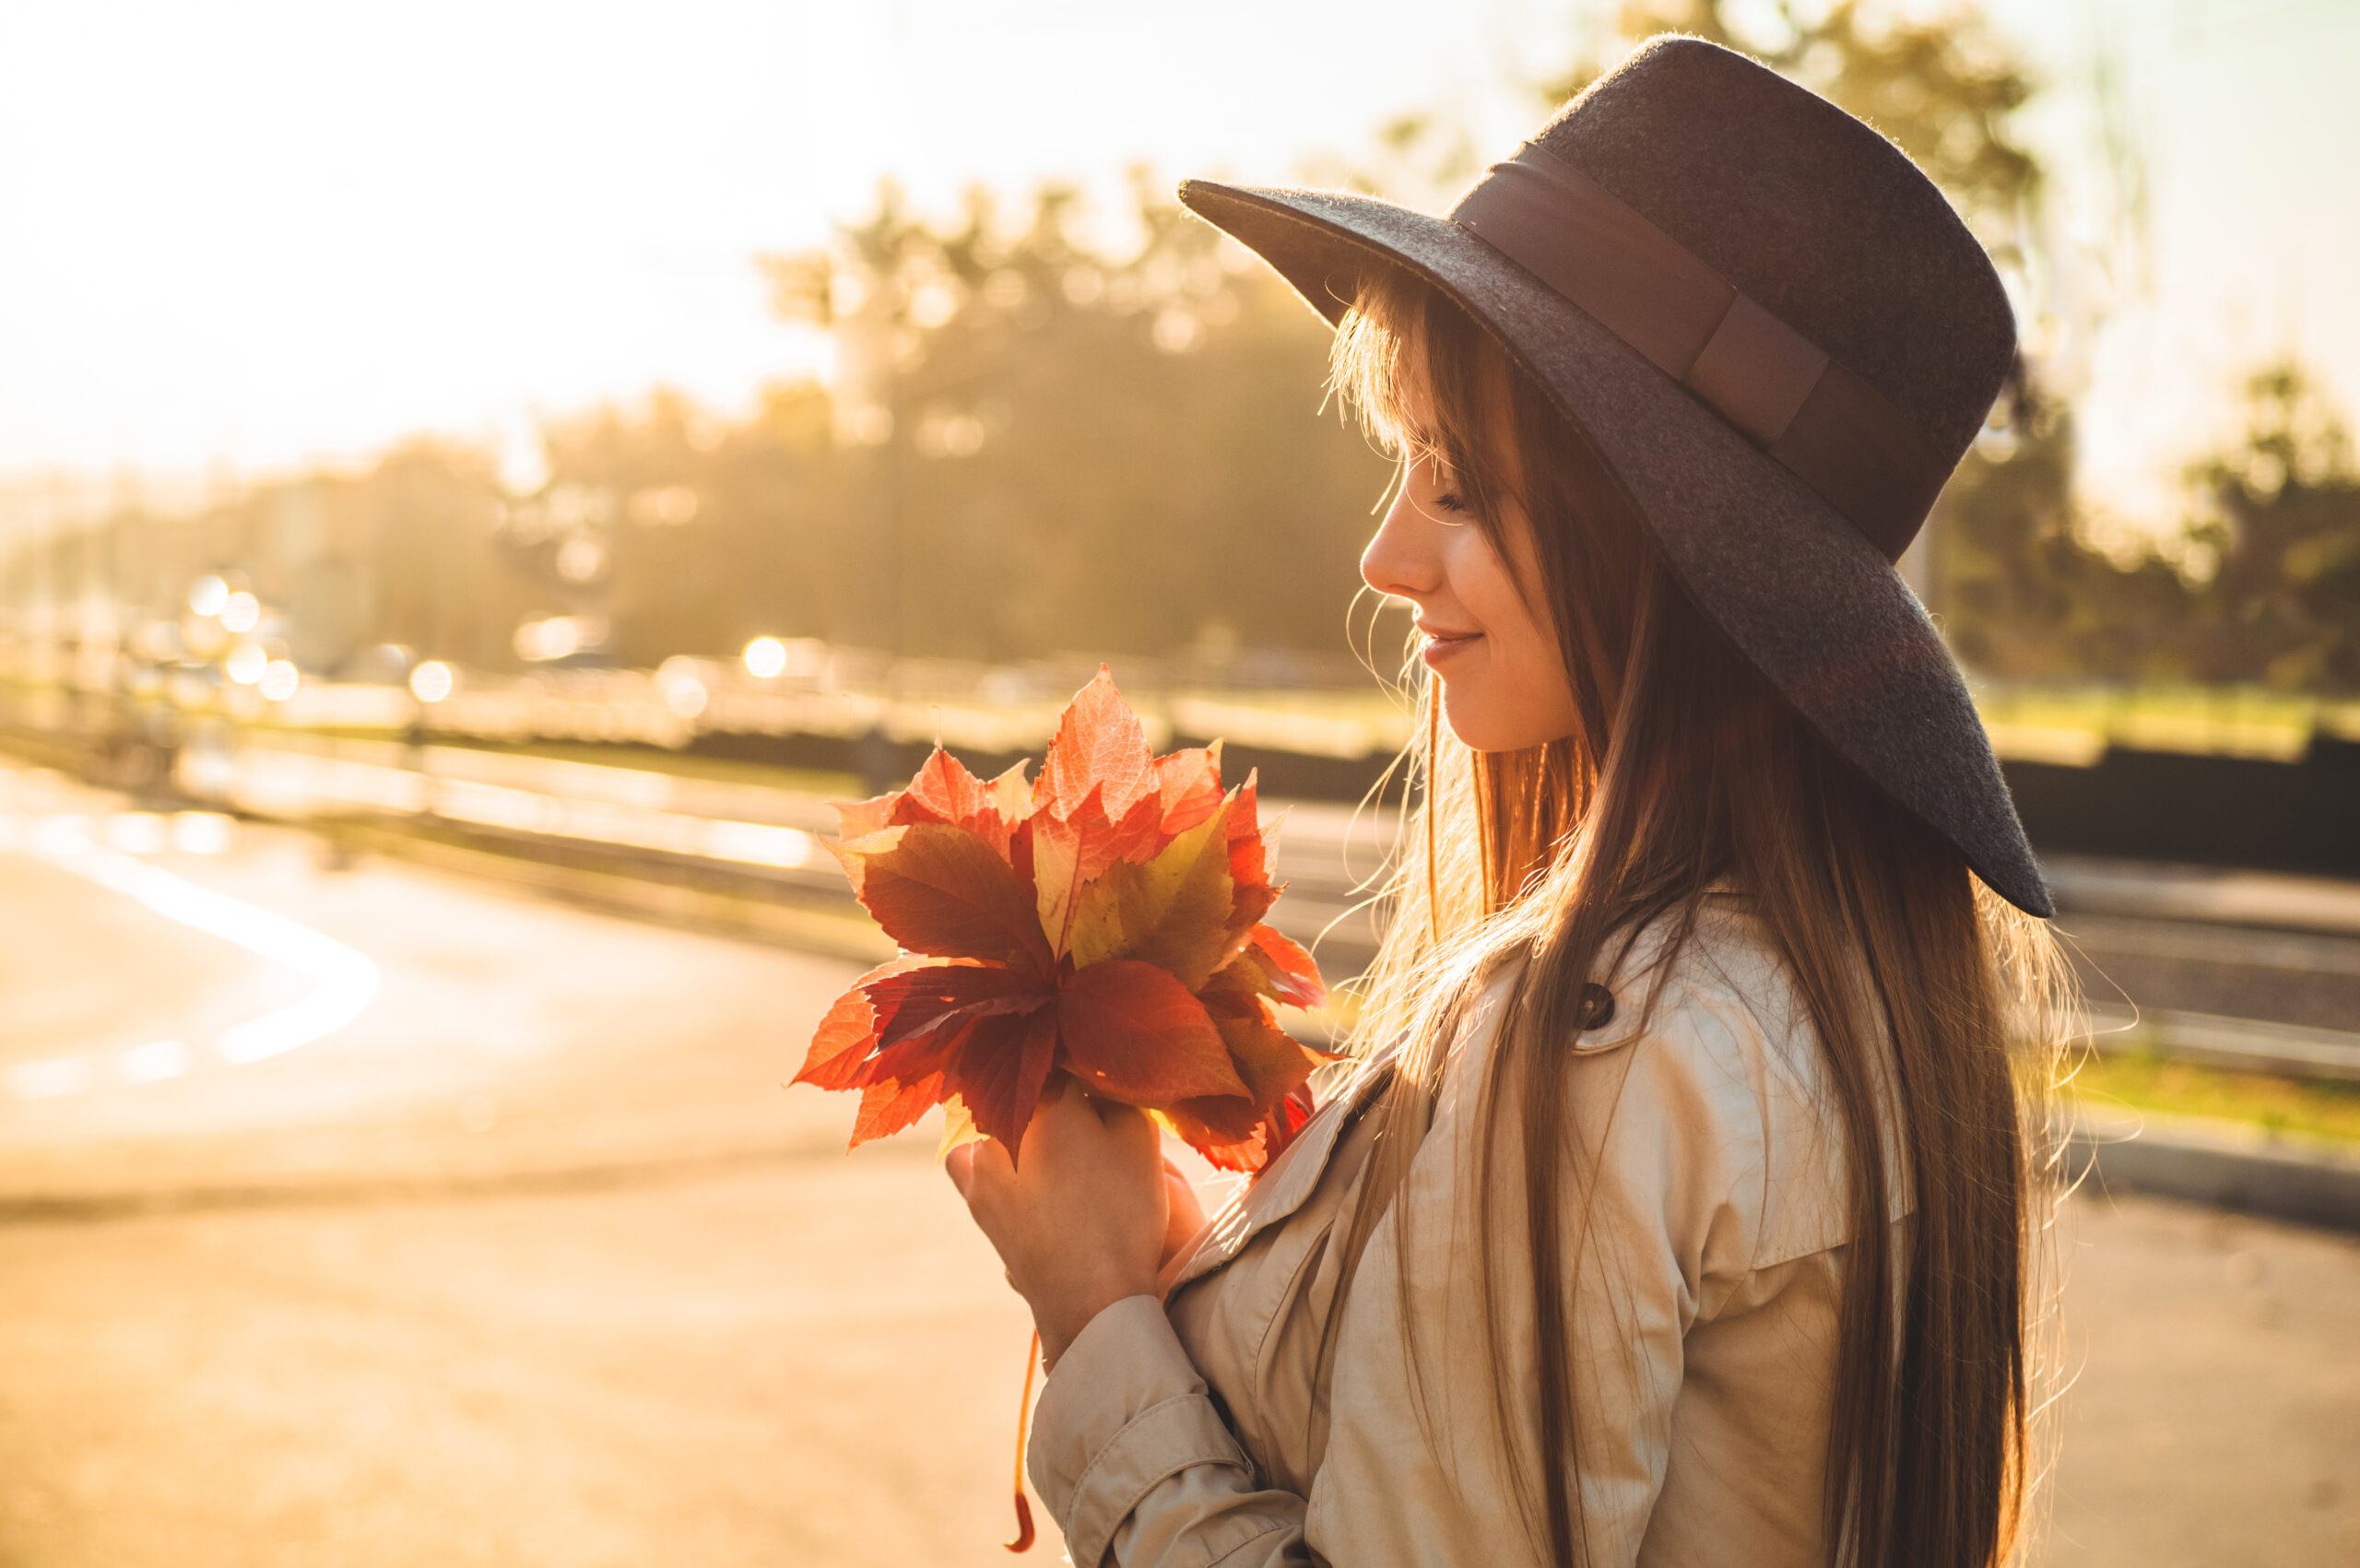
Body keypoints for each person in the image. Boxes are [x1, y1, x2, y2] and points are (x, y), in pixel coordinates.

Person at [946, 35, 2072, 1568]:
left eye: (1459, 485)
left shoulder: (1587, 1053)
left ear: (1656, 539)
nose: (1386, 557)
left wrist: (1095, 1317)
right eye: (1406, 468)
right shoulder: (1864, 992)